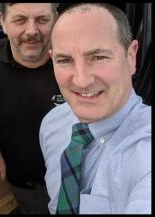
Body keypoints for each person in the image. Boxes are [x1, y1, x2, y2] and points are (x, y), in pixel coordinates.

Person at [39, 3, 151, 214]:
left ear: (131, 56)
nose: (81, 80)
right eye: (64, 60)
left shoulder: (144, 153)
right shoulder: (52, 124)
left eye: (98, 57)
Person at [0, 3, 61, 214]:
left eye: (42, 19)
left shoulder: (74, 63)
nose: (31, 31)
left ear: (55, 19)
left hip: (74, 180)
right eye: (20, 20)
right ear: (2, 21)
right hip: (23, 184)